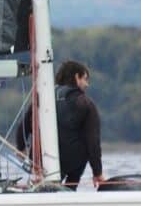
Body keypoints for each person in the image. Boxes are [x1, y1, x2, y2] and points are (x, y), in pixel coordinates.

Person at [15, 60, 105, 188]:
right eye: (85, 79)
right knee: (83, 148)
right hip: (72, 161)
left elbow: (24, 125)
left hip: (42, 161)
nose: (87, 84)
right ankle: (70, 189)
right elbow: (93, 142)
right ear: (76, 77)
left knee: (44, 186)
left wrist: (21, 148)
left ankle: (44, 191)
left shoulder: (44, 96)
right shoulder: (85, 103)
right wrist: (98, 173)